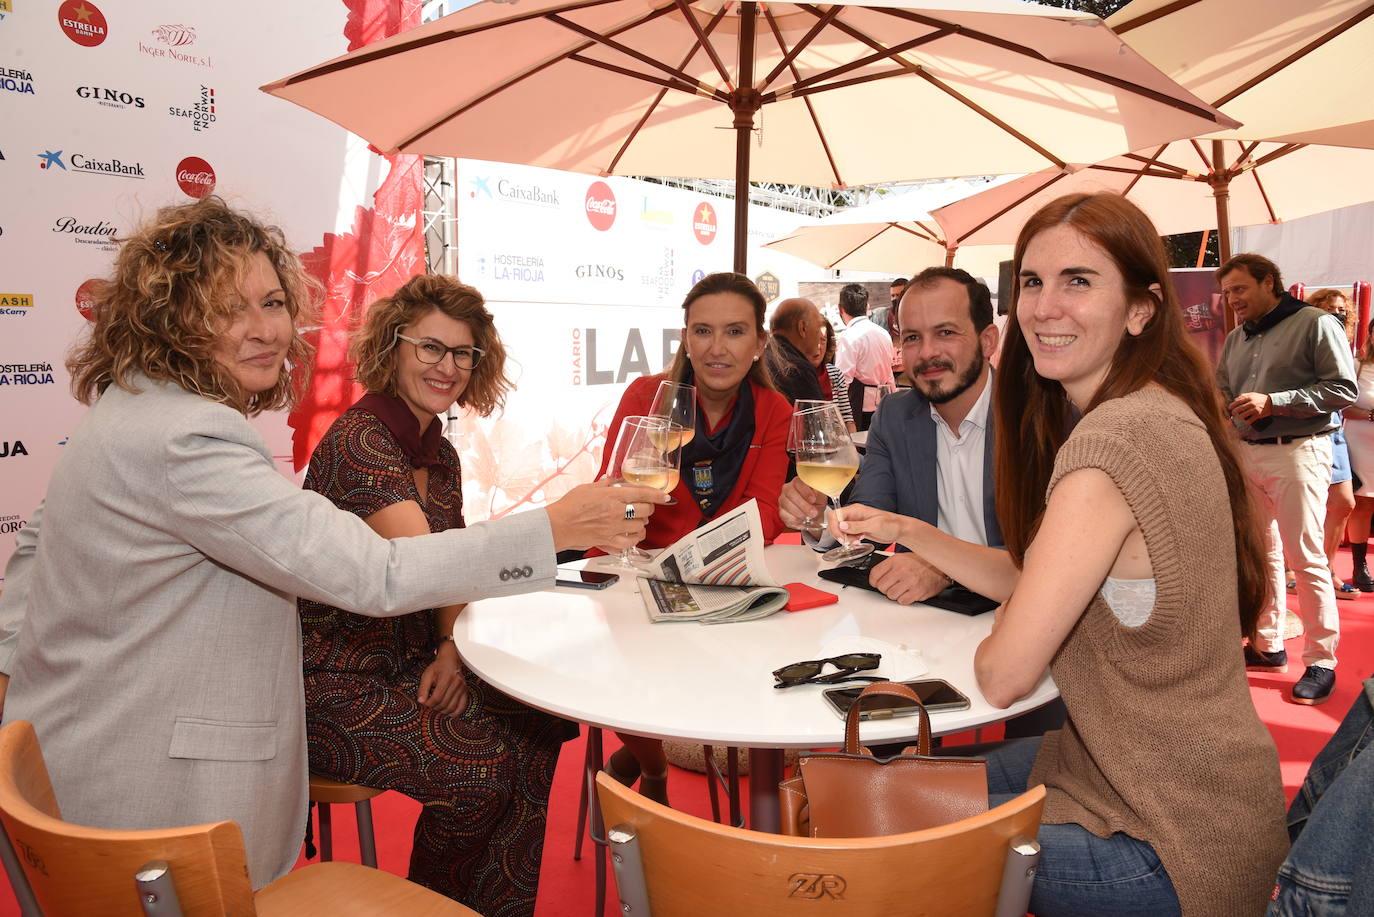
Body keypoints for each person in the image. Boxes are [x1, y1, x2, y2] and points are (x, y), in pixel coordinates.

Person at [0, 197, 663, 890]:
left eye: (274, 302)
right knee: (485, 765)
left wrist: (19, 675)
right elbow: (380, 573)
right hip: (162, 793)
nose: (267, 331)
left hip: (92, 750)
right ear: (173, 321)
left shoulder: (132, 406)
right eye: (231, 309)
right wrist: (554, 528)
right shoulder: (191, 436)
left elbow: (34, 543)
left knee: (530, 731)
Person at [835, 193, 1289, 916]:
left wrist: (1018, 608)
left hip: (1165, 838)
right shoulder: (1154, 408)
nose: (1046, 307)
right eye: (1035, 283)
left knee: (869, 807)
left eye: (1078, 281)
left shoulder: (1107, 447)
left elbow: (1003, 675)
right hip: (1159, 778)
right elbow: (1028, 568)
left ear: (1140, 310)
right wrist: (908, 528)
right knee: (884, 783)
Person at [299, 275, 574, 915]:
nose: (447, 366)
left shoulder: (439, 452)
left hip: (406, 667)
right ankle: (436, 908)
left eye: (462, 353)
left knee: (541, 722)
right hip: (332, 685)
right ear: (392, 349)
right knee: (480, 772)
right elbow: (421, 567)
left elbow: (447, 563)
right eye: (430, 348)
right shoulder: (360, 440)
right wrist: (556, 527)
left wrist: (450, 648)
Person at [593, 271, 791, 805]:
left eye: (734, 332)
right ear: (685, 338)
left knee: (755, 660)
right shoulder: (648, 397)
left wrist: (709, 549)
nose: (717, 348)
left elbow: (768, 511)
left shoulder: (774, 411)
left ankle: (647, 759)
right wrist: (629, 498)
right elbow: (612, 488)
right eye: (703, 331)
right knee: (630, 668)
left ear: (759, 345)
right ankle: (651, 762)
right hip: (636, 570)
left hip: (722, 574)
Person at [781, 267, 1002, 605]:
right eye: (912, 337)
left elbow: (1051, 557)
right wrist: (819, 518)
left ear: (988, 340)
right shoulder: (896, 415)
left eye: (945, 332)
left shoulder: (1039, 419)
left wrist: (943, 568)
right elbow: (871, 512)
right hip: (919, 626)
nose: (927, 352)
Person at [1217, 253, 1356, 705]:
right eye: (1227, 292)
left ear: (1269, 281)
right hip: (1247, 453)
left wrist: (1274, 402)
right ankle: (1268, 645)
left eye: (1239, 288)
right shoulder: (1236, 337)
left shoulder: (1315, 323)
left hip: (1298, 451)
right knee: (1262, 556)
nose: (1232, 299)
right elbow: (1222, 385)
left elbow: (1343, 389)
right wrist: (1221, 402)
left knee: (1306, 558)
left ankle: (1321, 660)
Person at [1307, 289, 1360, 599]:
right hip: (1311, 428)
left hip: (1335, 428)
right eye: (1329, 308)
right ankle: (1301, 572)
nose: (1337, 313)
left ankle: (1325, 570)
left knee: (1343, 503)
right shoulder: (1308, 339)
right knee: (1306, 507)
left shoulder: (1345, 343)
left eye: (1341, 309)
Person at [833, 282, 895, 430]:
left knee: (859, 450)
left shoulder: (848, 336)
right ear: (867, 306)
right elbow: (889, 373)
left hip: (858, 407)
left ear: (840, 309)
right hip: (884, 404)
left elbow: (842, 381)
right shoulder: (884, 333)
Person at [1342, 319, 1374, 592]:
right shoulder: (1356, 367)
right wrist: (1372, 415)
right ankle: (1359, 566)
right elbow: (1343, 407)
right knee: (1362, 504)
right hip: (1360, 445)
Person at [764, 297, 826, 405]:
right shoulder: (798, 370)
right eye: (818, 328)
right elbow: (814, 420)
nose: (820, 335)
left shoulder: (763, 358)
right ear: (802, 328)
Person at [812, 317, 857, 432]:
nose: (818, 346)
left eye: (823, 340)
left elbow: (847, 418)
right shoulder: (795, 376)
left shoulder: (835, 374)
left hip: (837, 443)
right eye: (814, 339)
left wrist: (851, 448)